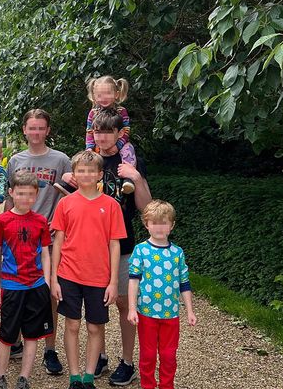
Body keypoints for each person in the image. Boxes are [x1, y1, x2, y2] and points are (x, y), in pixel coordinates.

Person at [58, 108, 152, 386]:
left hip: (121, 243)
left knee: (122, 302)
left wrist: (136, 177)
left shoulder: (130, 160)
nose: (102, 137)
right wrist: (67, 179)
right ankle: (98, 358)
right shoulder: (88, 161)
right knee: (92, 312)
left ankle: (127, 362)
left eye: (108, 132)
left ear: (119, 133)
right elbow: (73, 204)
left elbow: (146, 207)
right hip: (86, 250)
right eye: (97, 131)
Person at [0, 109, 70, 376]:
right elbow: (9, 199)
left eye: (41, 128)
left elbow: (69, 195)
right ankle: (13, 341)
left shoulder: (61, 160)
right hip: (18, 237)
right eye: (31, 128)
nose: (36, 132)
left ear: (47, 130)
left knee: (47, 293)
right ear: (24, 130)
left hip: (48, 234)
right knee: (15, 288)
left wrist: (58, 221)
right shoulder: (16, 160)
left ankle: (49, 349)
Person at [50, 150, 127, 389]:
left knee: (95, 327)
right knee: (72, 325)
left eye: (91, 171)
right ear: (74, 174)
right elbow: (58, 242)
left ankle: (89, 375)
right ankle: (74, 376)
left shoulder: (111, 205)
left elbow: (114, 245)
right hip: (69, 274)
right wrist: (54, 278)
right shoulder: (65, 203)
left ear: (99, 174)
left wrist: (113, 282)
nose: (85, 175)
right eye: (80, 170)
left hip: (99, 277)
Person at [0, 170, 53, 389]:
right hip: (11, 285)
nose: (25, 198)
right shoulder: (2, 220)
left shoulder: (40, 221)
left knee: (32, 335)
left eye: (30, 194)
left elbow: (45, 254)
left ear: (36, 195)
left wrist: (47, 282)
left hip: (36, 284)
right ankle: (0, 377)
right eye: (20, 193)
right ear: (11, 192)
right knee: (6, 334)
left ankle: (24, 378)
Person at [128, 200, 197, 389]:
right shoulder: (141, 250)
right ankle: (148, 385)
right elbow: (133, 281)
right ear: (146, 224)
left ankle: (167, 385)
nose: (159, 227)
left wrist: (190, 310)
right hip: (146, 312)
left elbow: (184, 283)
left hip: (171, 314)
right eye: (154, 222)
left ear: (172, 225)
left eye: (164, 223)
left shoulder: (177, 253)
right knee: (148, 354)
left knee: (169, 355)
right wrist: (132, 308)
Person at [84, 76, 136, 194]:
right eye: (99, 95)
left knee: (129, 149)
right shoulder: (93, 113)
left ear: (116, 94)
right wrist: (89, 148)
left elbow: (126, 130)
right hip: (99, 145)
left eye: (108, 93)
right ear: (94, 96)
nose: (104, 98)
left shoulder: (121, 111)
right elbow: (89, 132)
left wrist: (118, 145)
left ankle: (128, 179)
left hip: (120, 142)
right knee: (86, 158)